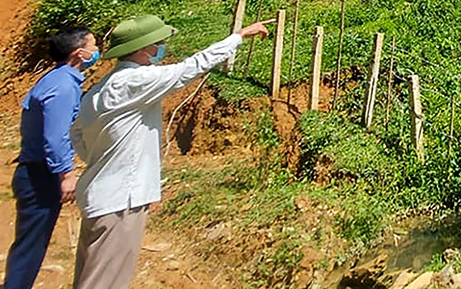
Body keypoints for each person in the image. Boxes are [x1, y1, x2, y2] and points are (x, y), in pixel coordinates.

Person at [70, 14, 271, 289]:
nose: (161, 49)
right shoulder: (136, 82)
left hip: (99, 195)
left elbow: (77, 133)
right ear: (145, 48)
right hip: (120, 203)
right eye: (160, 43)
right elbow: (190, 68)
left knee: (90, 277)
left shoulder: (100, 89)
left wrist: (99, 157)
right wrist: (239, 37)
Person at [4, 26, 99, 289]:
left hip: (34, 171)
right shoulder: (64, 88)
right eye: (93, 45)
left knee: (28, 243)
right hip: (40, 176)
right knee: (31, 247)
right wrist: (66, 174)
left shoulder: (54, 79)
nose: (96, 50)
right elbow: (56, 137)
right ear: (79, 53)